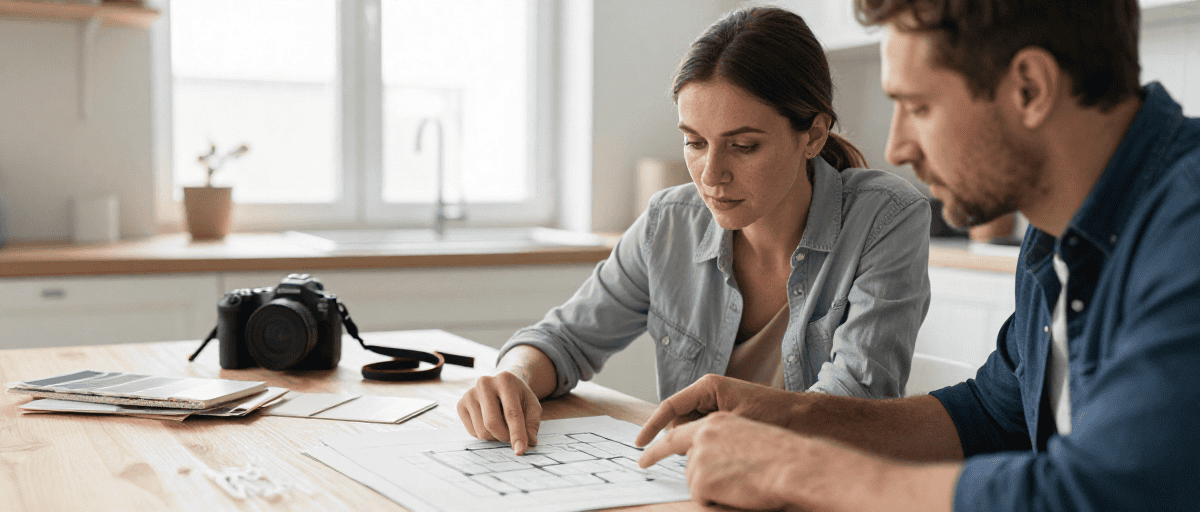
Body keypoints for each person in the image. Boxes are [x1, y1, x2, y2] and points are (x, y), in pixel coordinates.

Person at [636, 0, 1200, 510]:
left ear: (1029, 88)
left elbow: (1106, 494)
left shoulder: (1187, 225)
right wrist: (785, 414)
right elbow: (989, 416)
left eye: (918, 107)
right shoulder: (1055, 236)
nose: (898, 147)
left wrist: (794, 466)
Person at [457, 7, 932, 455]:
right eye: (694, 142)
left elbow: (855, 401)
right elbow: (563, 339)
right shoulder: (669, 222)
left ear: (813, 135)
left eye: (743, 146)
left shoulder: (887, 217)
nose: (710, 175)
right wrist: (513, 375)